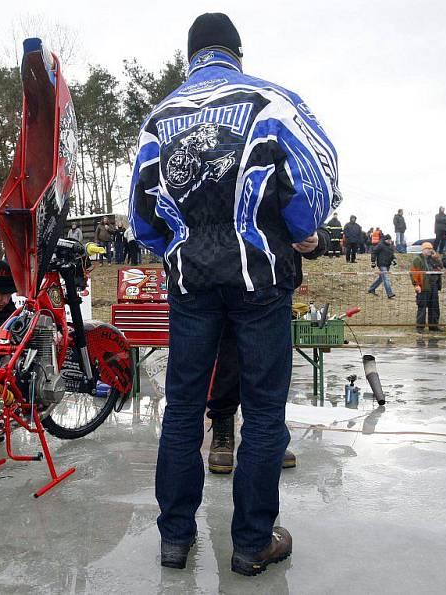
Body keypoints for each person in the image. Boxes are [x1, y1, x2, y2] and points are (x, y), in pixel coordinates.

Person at [128, 13, 338, 574]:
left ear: (189, 55)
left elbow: (142, 218)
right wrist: (304, 233)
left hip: (192, 285)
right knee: (265, 409)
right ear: (236, 53)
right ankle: (251, 543)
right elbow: (313, 177)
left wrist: (179, 247)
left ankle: (175, 539)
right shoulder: (270, 102)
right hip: (261, 280)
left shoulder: (158, 119)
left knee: (182, 409)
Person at [206, 227, 331, 475]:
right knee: (229, 366)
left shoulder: (288, 187)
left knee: (270, 372)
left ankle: (270, 436)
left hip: (275, 288)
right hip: (226, 285)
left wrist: (317, 240)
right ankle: (222, 430)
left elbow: (314, 217)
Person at [410, 242, 443, 331]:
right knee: (422, 307)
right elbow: (413, 273)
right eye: (428, 249)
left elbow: (441, 266)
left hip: (434, 286)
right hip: (423, 286)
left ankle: (433, 326)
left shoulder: (433, 258)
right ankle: (420, 327)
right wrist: (416, 285)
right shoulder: (418, 259)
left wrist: (436, 258)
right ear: (423, 249)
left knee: (434, 307)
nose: (430, 250)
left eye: (431, 248)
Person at [368, 234, 397, 299]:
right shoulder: (380, 245)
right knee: (386, 279)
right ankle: (390, 294)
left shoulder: (390, 247)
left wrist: (394, 260)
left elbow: (392, 255)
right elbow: (374, 252)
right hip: (382, 264)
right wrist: (373, 261)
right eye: (388, 240)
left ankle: (371, 289)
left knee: (381, 278)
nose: (390, 241)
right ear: (385, 240)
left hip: (388, 265)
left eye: (390, 240)